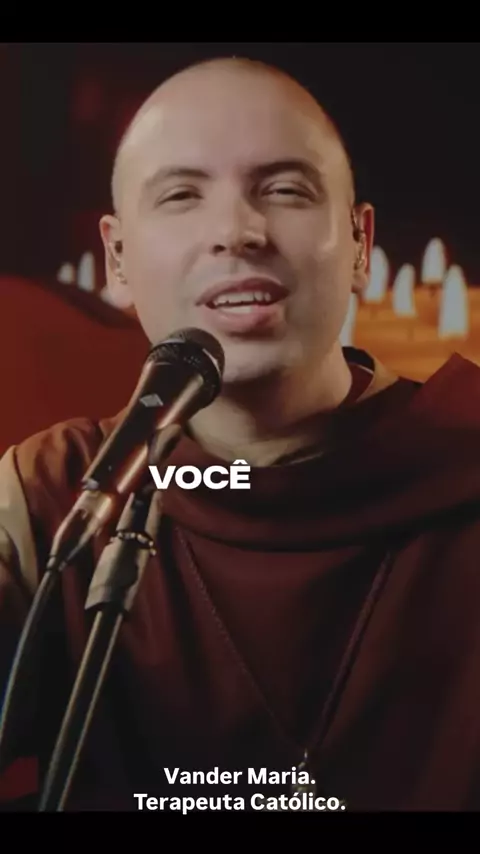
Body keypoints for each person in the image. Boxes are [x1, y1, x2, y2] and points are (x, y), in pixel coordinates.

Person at [1, 55, 480, 813]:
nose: (237, 232)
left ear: (360, 243)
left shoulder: (462, 457)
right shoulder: (53, 497)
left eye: (285, 190)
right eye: (181, 195)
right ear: (117, 258)